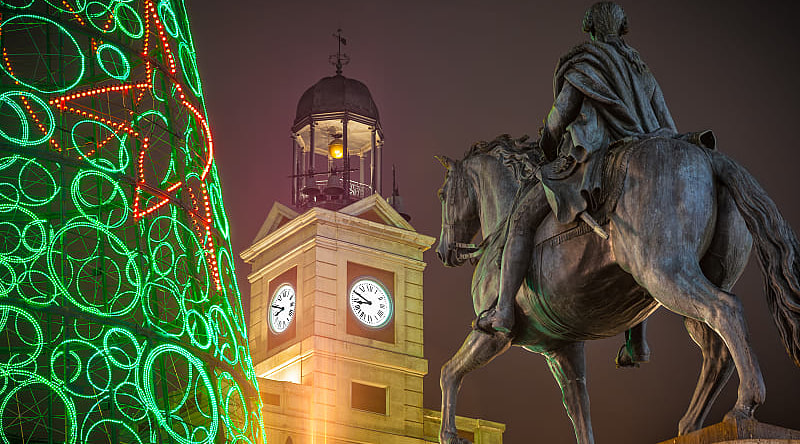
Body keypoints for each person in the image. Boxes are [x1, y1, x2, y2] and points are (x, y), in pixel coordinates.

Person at [477, 1, 677, 344]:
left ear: (592, 30)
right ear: (622, 28)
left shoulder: (588, 62)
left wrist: (548, 142)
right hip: (643, 154)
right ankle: (636, 337)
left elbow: (561, 113)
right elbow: (667, 123)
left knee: (521, 220)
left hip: (592, 159)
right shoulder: (640, 68)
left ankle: (504, 310)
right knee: (642, 241)